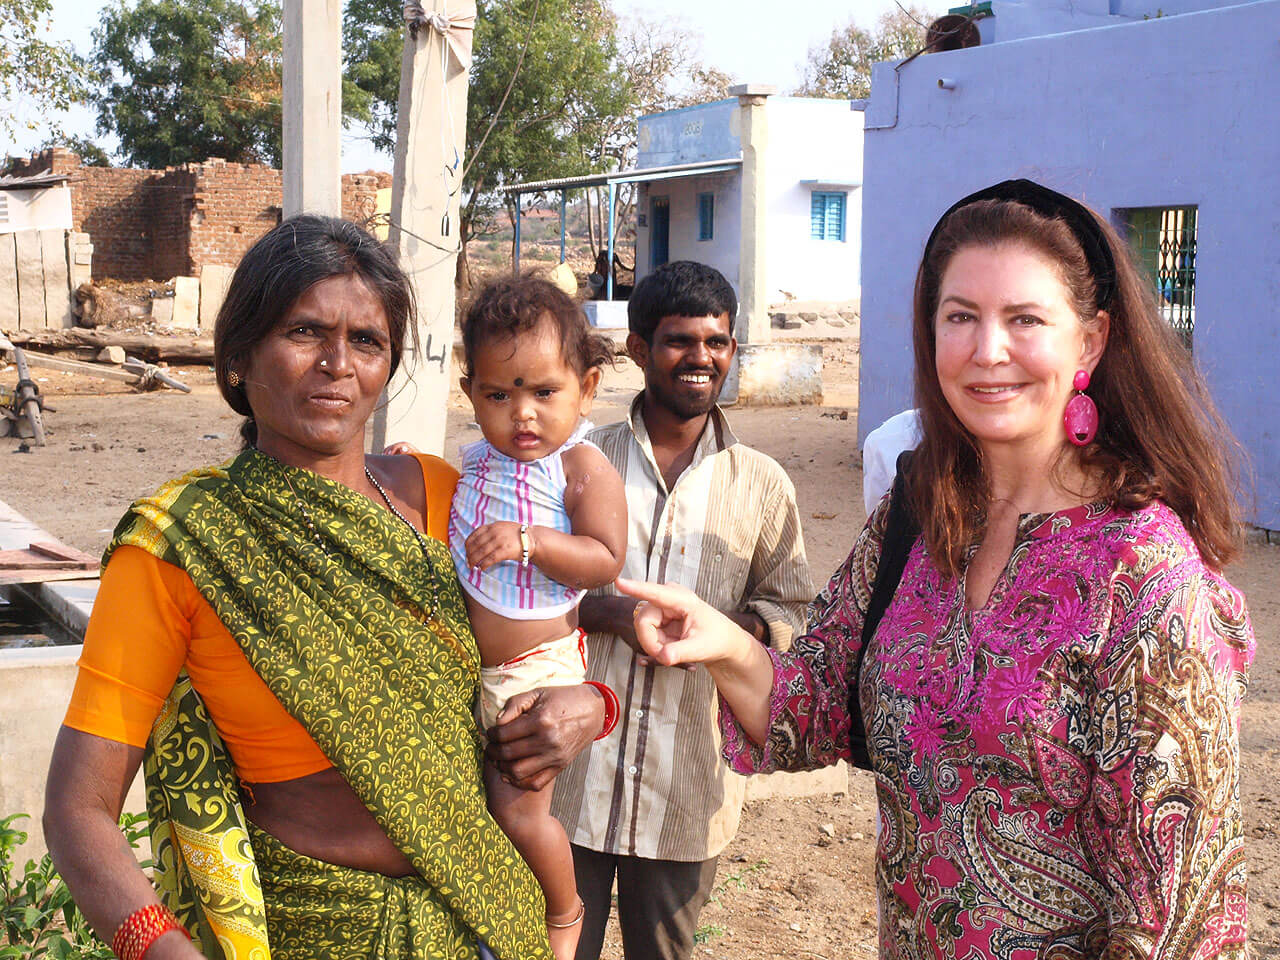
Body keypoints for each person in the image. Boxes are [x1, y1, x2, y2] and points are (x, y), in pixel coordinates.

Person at [619, 181, 1255, 958]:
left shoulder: (1144, 571)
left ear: (1089, 342)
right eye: (960, 317)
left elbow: (1181, 919)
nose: (987, 350)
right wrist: (723, 643)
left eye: (1025, 319)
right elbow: (812, 709)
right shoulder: (920, 514)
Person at [42, 216, 610, 960]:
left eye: (367, 341)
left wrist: (593, 703)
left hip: (488, 916)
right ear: (240, 354)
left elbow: (554, 617)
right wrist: (164, 950)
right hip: (310, 928)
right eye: (305, 332)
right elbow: (78, 810)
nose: (338, 364)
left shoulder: (446, 495)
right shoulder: (179, 545)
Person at [550, 260, 815, 960]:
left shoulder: (762, 484)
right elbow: (527, 590)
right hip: (569, 779)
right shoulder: (578, 462)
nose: (701, 357)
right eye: (679, 341)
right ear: (639, 348)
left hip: (687, 790)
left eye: (716, 341)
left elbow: (790, 612)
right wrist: (614, 617)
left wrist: (722, 632)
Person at [447, 277, 627, 959]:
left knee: (519, 812)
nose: (522, 413)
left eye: (544, 393)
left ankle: (565, 913)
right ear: (470, 392)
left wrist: (531, 542)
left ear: (587, 388)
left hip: (537, 670)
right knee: (478, 811)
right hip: (475, 670)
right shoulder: (476, 461)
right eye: (499, 395)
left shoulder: (579, 467)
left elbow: (604, 557)